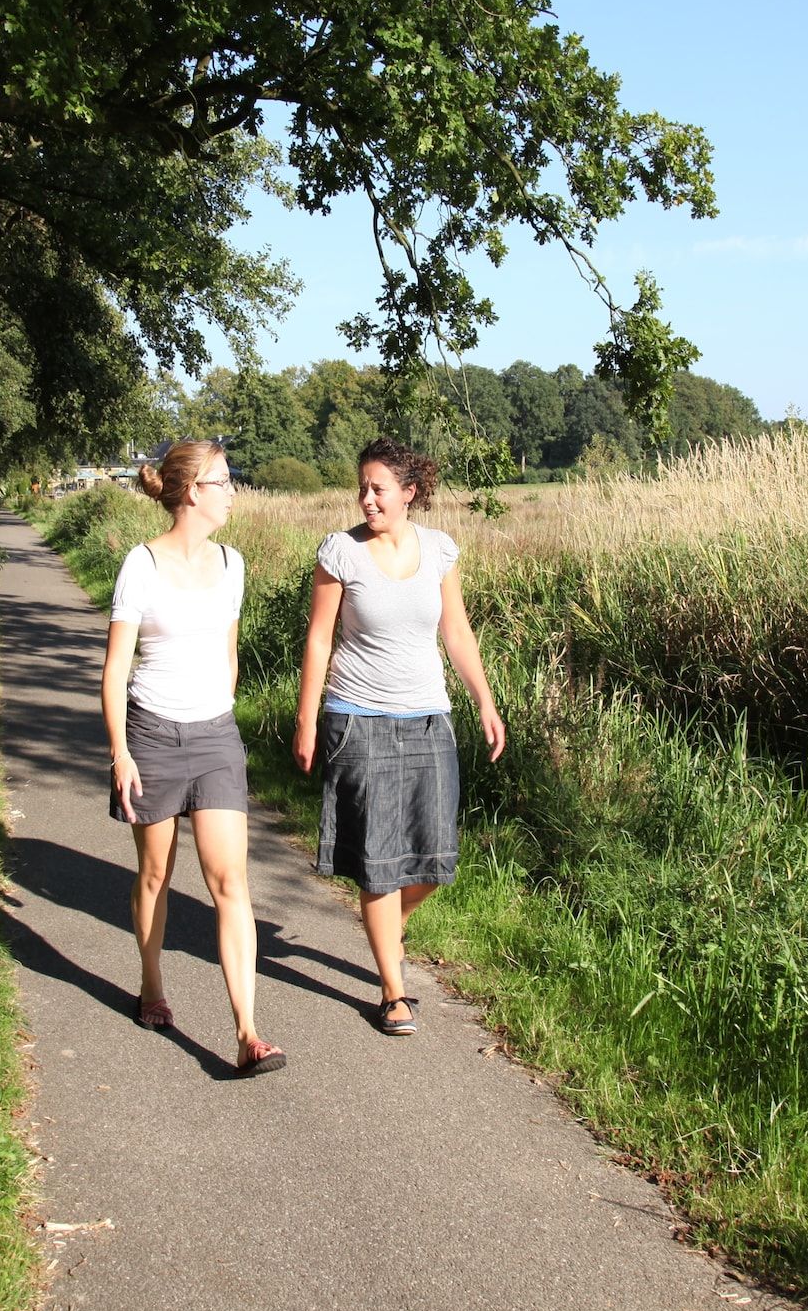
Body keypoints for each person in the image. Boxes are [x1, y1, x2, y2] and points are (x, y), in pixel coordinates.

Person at [293, 437, 506, 1036]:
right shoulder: (341, 553)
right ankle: (393, 990)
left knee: (434, 862)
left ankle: (387, 925)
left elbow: (457, 632)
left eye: (378, 488)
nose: (366, 499)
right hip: (357, 721)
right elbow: (319, 639)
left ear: (409, 492)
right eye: (361, 487)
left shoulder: (439, 550)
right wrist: (307, 718)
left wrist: (484, 701)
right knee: (381, 863)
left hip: (428, 719)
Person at [101, 440, 284, 1075]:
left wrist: (220, 715)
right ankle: (152, 983)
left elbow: (228, 652)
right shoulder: (141, 564)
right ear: (191, 492)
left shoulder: (233, 563)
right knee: (155, 875)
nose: (234, 490)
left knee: (230, 881)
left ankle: (248, 1032)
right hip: (151, 736)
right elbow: (116, 667)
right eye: (224, 481)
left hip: (214, 739)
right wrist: (122, 752)